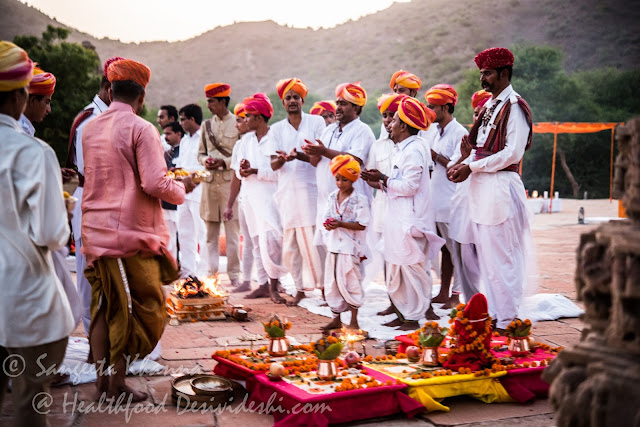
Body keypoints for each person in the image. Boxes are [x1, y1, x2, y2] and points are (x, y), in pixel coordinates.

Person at [82, 58, 194, 400]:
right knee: (136, 309)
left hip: (95, 229)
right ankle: (115, 386)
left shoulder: (91, 127)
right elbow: (155, 181)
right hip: (129, 234)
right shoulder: (141, 128)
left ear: (111, 90)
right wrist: (183, 187)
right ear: (141, 97)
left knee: (105, 306)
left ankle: (104, 382)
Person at [0, 41, 75, 426]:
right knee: (30, 408)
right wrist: (63, 208)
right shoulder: (33, 152)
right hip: (25, 303)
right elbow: (51, 235)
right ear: (19, 96)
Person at [448, 47, 535, 330]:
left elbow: (512, 154)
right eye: (481, 73)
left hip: (500, 190)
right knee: (488, 260)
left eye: (487, 73)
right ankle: (497, 316)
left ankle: (509, 320)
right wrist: (462, 161)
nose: (482, 78)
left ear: (504, 73)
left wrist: (471, 167)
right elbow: (478, 150)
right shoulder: (490, 106)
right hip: (482, 192)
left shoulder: (515, 106)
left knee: (503, 259)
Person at [362, 96, 444, 330]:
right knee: (397, 268)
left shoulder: (415, 150)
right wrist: (378, 181)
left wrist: (384, 179)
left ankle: (413, 318)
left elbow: (410, 186)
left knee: (411, 270)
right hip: (397, 218)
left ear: (405, 126)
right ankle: (403, 314)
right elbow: (397, 184)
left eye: (395, 120)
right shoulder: (403, 148)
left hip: (410, 220)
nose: (390, 124)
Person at [67, 56, 121, 336]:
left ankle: (103, 332)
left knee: (106, 272)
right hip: (91, 201)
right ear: (109, 89)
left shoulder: (107, 116)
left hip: (106, 204)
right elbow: (93, 171)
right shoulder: (91, 119)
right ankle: (91, 334)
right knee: (89, 274)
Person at [270, 78, 326, 306]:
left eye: (296, 97)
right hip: (287, 196)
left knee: (316, 245)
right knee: (292, 248)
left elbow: (318, 158)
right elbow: (273, 164)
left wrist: (299, 156)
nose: (292, 101)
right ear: (283, 103)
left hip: (311, 193)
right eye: (288, 98)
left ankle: (324, 290)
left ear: (303, 100)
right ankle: (301, 288)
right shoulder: (276, 130)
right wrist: (283, 159)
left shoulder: (316, 122)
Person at [302, 82, 375, 253]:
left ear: (356, 108)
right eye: (338, 103)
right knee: (333, 252)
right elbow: (316, 162)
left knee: (353, 253)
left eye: (343, 103)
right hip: (328, 202)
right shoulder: (329, 130)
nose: (338, 107)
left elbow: (355, 160)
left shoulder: (362, 131)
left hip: (351, 203)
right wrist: (313, 151)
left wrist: (324, 150)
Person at [237, 93, 288, 303]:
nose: (245, 119)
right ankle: (263, 284)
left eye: (248, 116)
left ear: (259, 117)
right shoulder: (245, 141)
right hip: (249, 197)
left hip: (270, 197)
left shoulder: (274, 137)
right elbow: (239, 172)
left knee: (273, 240)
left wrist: (255, 170)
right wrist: (244, 170)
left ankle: (275, 285)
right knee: (257, 241)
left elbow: (278, 170)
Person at [424, 84, 469, 308]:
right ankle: (443, 291)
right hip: (436, 200)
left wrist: (434, 155)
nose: (428, 110)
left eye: (432, 107)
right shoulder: (433, 131)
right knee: (444, 250)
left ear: (446, 107)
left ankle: (457, 295)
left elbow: (458, 166)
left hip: (451, 201)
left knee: (457, 251)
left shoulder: (460, 133)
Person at [198, 83, 241, 288]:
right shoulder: (206, 126)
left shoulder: (238, 123)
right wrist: (205, 160)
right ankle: (212, 274)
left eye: (212, 101)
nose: (209, 105)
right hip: (209, 184)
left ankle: (234, 275)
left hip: (229, 184)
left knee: (232, 233)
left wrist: (224, 162)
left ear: (223, 101)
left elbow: (242, 156)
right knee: (210, 234)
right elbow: (200, 153)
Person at [322, 155, 370, 331]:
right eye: (337, 179)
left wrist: (340, 224)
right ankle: (336, 318)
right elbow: (326, 216)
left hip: (350, 248)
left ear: (353, 180)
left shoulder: (360, 199)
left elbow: (362, 224)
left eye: (345, 180)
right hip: (334, 246)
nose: (341, 183)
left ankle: (354, 321)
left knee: (351, 282)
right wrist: (328, 224)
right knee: (332, 282)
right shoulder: (332, 196)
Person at [369, 93, 404, 316]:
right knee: (386, 255)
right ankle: (393, 301)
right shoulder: (378, 146)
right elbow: (372, 177)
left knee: (407, 257)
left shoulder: (412, 144)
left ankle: (412, 305)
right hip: (383, 206)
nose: (389, 119)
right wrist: (381, 181)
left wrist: (387, 181)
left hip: (405, 209)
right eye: (385, 115)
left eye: (393, 115)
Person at [224, 103, 259, 292]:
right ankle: (247, 280)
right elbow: (236, 178)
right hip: (245, 198)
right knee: (248, 240)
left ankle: (270, 281)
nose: (238, 124)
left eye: (241, 120)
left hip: (263, 198)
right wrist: (229, 204)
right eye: (237, 120)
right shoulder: (240, 145)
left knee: (265, 240)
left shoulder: (266, 139)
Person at [177, 103, 209, 276]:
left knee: (203, 233)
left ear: (192, 119)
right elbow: (182, 166)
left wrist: (192, 182)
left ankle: (204, 273)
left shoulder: (205, 138)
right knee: (185, 232)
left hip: (199, 192)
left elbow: (209, 169)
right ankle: (187, 271)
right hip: (183, 193)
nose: (180, 123)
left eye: (183, 120)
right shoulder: (184, 140)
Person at [161, 121, 184, 262]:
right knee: (169, 236)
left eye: (169, 133)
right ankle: (172, 266)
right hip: (167, 200)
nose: (166, 137)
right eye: (164, 134)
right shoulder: (167, 153)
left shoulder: (185, 150)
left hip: (181, 200)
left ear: (178, 134)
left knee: (184, 235)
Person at [378, 70, 422, 139]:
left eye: (401, 90)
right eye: (395, 91)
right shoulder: (388, 118)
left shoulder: (421, 117)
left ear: (413, 92)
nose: (397, 94)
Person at [18, 65, 55, 136]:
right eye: (46, 102)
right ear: (33, 101)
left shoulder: (23, 128)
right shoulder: (19, 130)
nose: (49, 110)